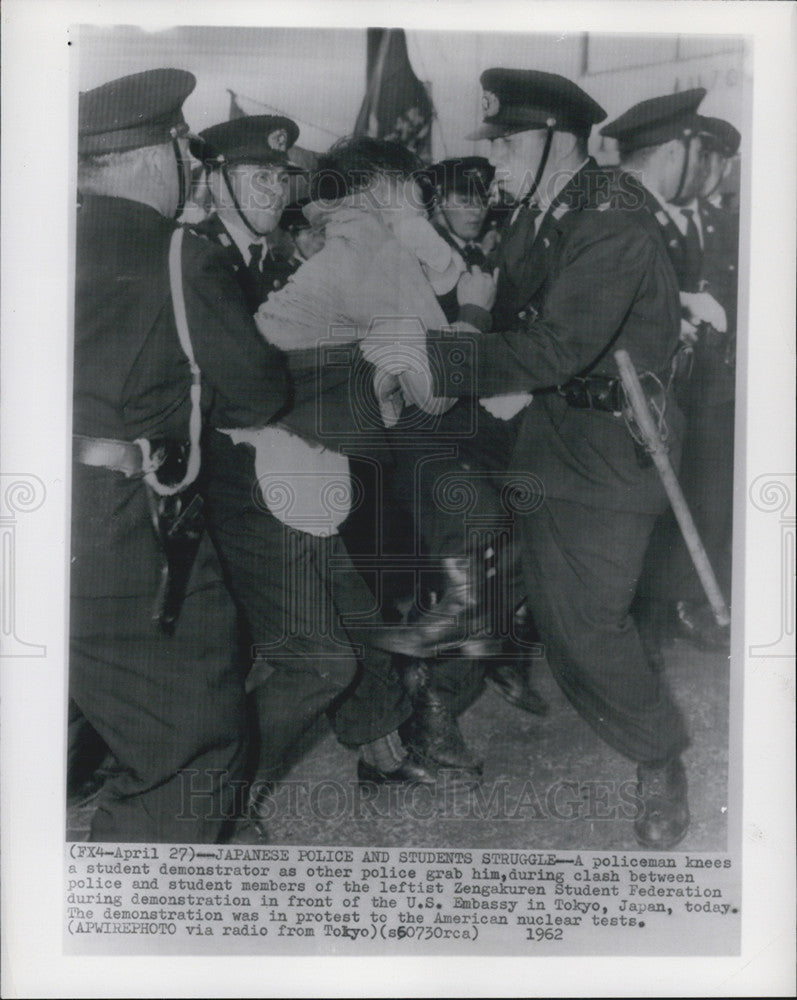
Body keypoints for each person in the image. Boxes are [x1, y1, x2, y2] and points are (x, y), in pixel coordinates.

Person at [388, 68, 692, 848]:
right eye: (495, 140)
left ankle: (660, 757)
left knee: (585, 623)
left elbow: (556, 347)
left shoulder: (612, 220)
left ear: (564, 140)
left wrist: (440, 363)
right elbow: (507, 319)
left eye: (511, 140)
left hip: (607, 448)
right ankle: (433, 694)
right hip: (546, 430)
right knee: (462, 523)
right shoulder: (538, 213)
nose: (497, 157)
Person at [71, 69, 290, 842]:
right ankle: (115, 940)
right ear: (153, 154)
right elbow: (258, 393)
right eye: (181, 150)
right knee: (190, 740)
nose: (190, 167)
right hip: (123, 533)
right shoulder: (177, 256)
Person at [602, 97, 737, 653]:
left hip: (689, 383)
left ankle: (667, 607)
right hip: (638, 393)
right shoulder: (629, 213)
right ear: (674, 151)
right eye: (697, 154)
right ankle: (647, 614)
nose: (708, 169)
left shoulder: (682, 215)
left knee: (698, 490)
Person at [190, 115, 303, 310]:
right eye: (263, 178)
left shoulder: (290, 273)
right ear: (218, 186)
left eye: (283, 179)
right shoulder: (192, 256)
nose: (279, 192)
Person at [278, 198, 326, 272]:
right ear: (292, 238)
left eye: (322, 231)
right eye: (311, 233)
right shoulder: (286, 273)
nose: (321, 240)